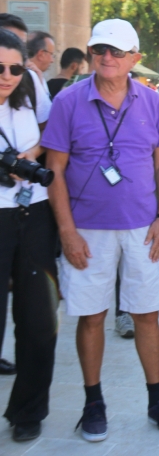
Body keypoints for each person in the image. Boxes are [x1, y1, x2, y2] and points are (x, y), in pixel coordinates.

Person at [42, 19, 159, 442]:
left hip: (144, 228)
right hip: (87, 229)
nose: (106, 57)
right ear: (91, 52)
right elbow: (55, 170)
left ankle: (157, 401)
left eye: (117, 51)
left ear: (134, 59)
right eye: (100, 49)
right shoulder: (69, 101)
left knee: (146, 314)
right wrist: (67, 232)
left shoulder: (150, 102)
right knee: (91, 317)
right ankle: (93, 403)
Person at [0, 29, 59, 442]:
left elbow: (46, 136)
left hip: (35, 213)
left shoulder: (28, 95)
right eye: (0, 68)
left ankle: (28, 410)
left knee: (40, 320)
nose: (7, 75)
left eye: (15, 68)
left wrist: (28, 158)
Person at [0, 15, 51, 129]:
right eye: (7, 40)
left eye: (22, 45)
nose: (7, 76)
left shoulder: (31, 78)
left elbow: (46, 127)